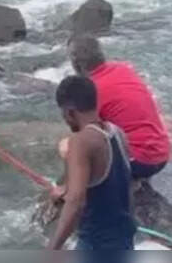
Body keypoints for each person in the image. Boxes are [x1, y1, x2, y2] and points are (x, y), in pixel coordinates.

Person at [47, 75, 136, 252]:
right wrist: (66, 189)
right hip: (125, 238)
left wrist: (52, 249)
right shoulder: (117, 132)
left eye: (64, 114)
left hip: (97, 244)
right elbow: (121, 183)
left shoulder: (80, 142)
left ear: (70, 112)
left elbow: (76, 203)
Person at [63, 35, 171, 181]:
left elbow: (85, 135)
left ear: (76, 63)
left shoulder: (90, 90)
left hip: (141, 162)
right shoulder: (124, 68)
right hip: (162, 154)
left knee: (68, 147)